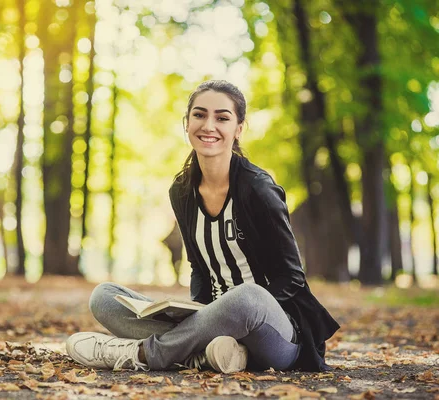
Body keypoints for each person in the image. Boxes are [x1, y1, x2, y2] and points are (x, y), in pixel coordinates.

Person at [66, 80, 339, 373]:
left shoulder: (258, 190)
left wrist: (229, 311)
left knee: (246, 297)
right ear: (187, 123)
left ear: (239, 129)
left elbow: (293, 277)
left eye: (222, 118)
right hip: (212, 320)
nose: (209, 125)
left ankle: (148, 354)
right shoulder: (181, 191)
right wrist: (201, 315)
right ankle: (211, 354)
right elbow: (199, 266)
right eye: (199, 115)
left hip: (277, 330)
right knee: (105, 297)